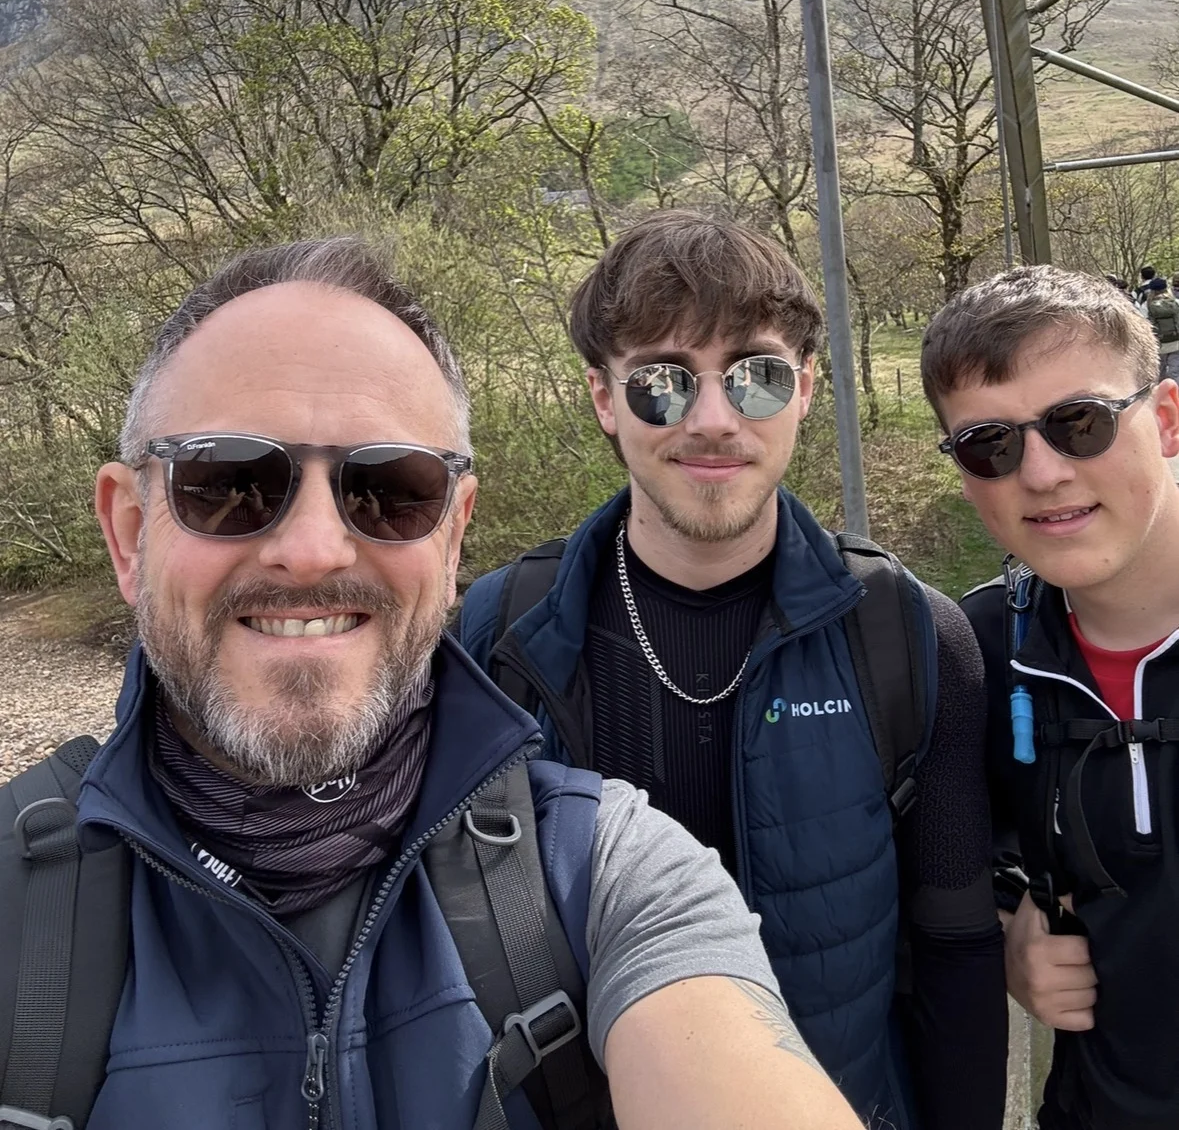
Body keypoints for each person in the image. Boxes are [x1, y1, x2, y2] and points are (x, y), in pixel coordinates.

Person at [0, 237, 861, 1130]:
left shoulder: (606, 877)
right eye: (228, 482)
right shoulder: (16, 904)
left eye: (389, 489)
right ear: (129, 531)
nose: (313, 550)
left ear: (453, 537)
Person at [459, 210, 1008, 1130]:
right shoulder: (502, 633)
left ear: (805, 390)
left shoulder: (906, 634)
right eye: (661, 383)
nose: (712, 421)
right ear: (602, 399)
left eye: (755, 376)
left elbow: (954, 950)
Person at [922, 264, 1179, 1130]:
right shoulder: (973, 654)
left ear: (1165, 420)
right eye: (988, 444)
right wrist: (1008, 939)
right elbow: (955, 858)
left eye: (1080, 423)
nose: (1039, 473)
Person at [1143, 276, 1179, 381]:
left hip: (1159, 343)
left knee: (1159, 372)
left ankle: (1161, 389)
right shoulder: (1176, 302)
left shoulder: (1147, 305)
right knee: (1175, 372)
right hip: (1176, 342)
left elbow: (1145, 324)